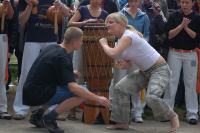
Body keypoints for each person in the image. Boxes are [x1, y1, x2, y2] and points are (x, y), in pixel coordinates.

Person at [99, 12, 179, 132]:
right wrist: (124, 65)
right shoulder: (122, 39)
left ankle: (173, 116)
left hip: (160, 70)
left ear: (121, 24)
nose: (107, 25)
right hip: (145, 72)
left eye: (111, 22)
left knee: (151, 97)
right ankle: (122, 122)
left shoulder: (127, 36)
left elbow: (112, 53)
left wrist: (103, 44)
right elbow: (129, 63)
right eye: (107, 22)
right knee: (120, 88)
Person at [23, 27, 110, 133]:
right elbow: (73, 88)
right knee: (82, 92)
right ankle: (50, 118)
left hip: (30, 91)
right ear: (74, 41)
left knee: (73, 88)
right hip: (37, 94)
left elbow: (49, 68)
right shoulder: (63, 58)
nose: (82, 43)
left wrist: (71, 73)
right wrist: (98, 98)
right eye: (81, 40)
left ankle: (37, 115)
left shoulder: (53, 47)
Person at [12, 0, 72, 120]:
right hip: (32, 39)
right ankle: (21, 109)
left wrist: (60, 5)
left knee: (53, 74)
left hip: (51, 38)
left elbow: (67, 14)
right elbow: (21, 21)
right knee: (26, 73)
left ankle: (52, 109)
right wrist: (29, 6)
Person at [164, 0, 200, 125]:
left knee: (190, 83)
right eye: (182, 2)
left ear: (192, 3)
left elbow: (196, 37)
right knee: (171, 81)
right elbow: (169, 35)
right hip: (175, 53)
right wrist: (181, 26)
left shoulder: (197, 17)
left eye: (187, 2)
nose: (184, 5)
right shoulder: (174, 16)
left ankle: (192, 113)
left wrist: (186, 27)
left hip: (190, 54)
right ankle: (167, 112)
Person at [119, 0, 150, 123]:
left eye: (136, 0)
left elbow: (147, 35)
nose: (134, 2)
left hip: (138, 53)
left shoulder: (144, 16)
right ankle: (122, 112)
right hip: (122, 50)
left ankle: (138, 112)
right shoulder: (120, 14)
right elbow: (117, 33)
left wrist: (140, 46)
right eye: (131, 0)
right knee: (121, 81)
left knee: (137, 82)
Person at [0, 0, 14, 120]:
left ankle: (2, 108)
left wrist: (8, 4)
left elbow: (11, 16)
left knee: (1, 75)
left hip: (1, 36)